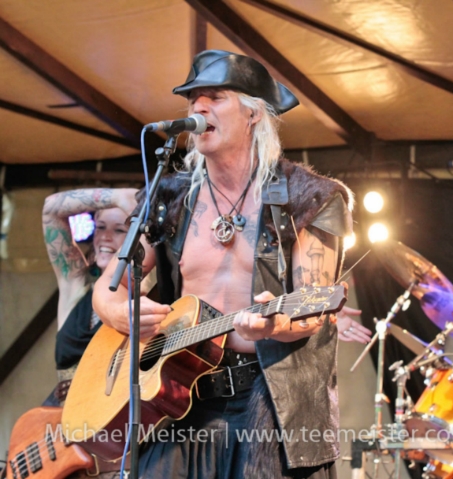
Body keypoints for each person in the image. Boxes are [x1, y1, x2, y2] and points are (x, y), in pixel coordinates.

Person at [93, 50, 354, 479]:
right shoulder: (171, 197)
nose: (198, 108)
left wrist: (274, 326)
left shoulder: (307, 197)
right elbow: (108, 288)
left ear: (253, 113)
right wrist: (122, 313)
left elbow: (315, 309)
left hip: (271, 401)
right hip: (177, 398)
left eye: (214, 97)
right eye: (193, 98)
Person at [41, 187, 137, 405]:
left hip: (112, 417)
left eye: (120, 230)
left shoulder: (149, 296)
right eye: (100, 227)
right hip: (59, 418)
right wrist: (116, 197)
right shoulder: (76, 284)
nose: (105, 237)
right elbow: (50, 209)